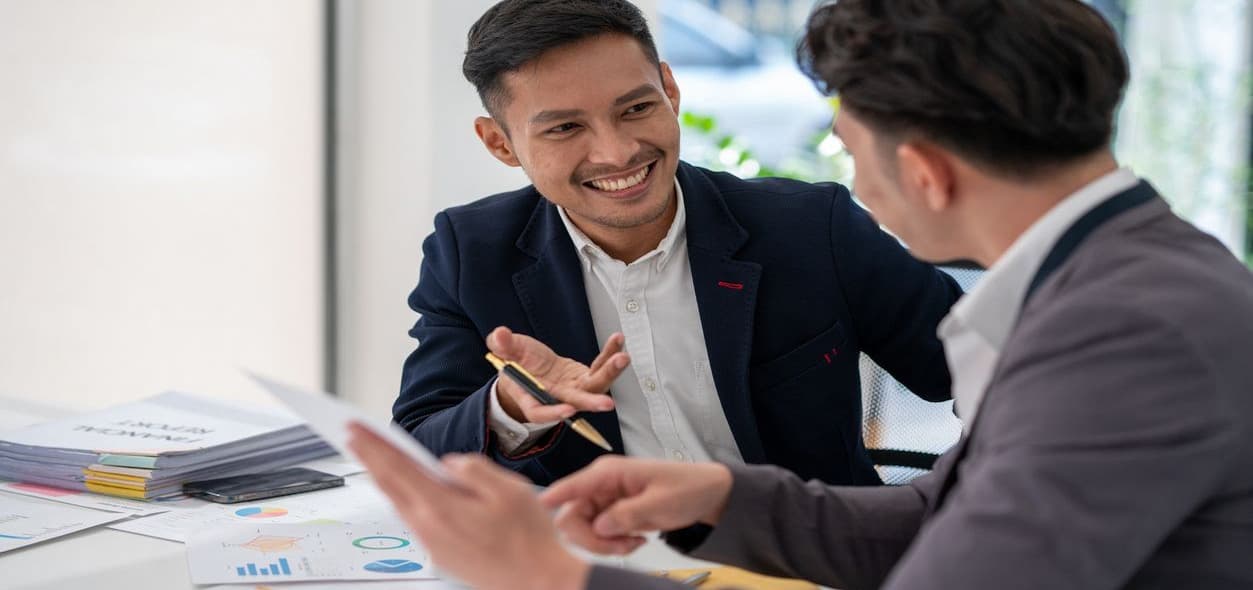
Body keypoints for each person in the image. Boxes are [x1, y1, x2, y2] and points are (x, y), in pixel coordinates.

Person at [351, 0, 1253, 588]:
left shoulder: (1122, 332)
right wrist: (716, 495)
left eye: (849, 149)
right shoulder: (1116, 287)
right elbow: (943, 511)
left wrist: (556, 577)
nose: (617, 152)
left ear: (925, 173)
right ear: (502, 143)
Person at [393, 0, 961, 487]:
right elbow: (417, 446)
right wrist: (511, 408)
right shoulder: (470, 253)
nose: (617, 153)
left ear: (670, 90)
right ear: (500, 143)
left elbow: (982, 365)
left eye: (637, 108)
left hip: (805, 555)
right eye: (565, 128)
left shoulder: (811, 227)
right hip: (598, 559)